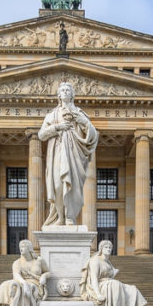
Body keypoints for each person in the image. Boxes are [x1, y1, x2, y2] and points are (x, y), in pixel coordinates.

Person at [38, 82, 98, 227]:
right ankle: (60, 217)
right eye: (62, 90)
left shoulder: (80, 113)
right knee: (58, 184)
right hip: (58, 151)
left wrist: (83, 121)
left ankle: (70, 216)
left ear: (72, 94)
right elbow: (41, 135)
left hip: (74, 154)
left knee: (74, 186)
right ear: (59, 95)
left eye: (67, 90)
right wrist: (58, 127)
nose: (65, 92)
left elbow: (93, 135)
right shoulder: (52, 114)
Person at [80, 240, 147, 306]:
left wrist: (113, 273)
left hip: (108, 284)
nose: (108, 249)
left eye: (110, 247)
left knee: (132, 289)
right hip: (99, 286)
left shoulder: (108, 262)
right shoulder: (95, 260)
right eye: (106, 247)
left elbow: (109, 275)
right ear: (101, 249)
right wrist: (98, 294)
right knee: (115, 284)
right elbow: (94, 279)